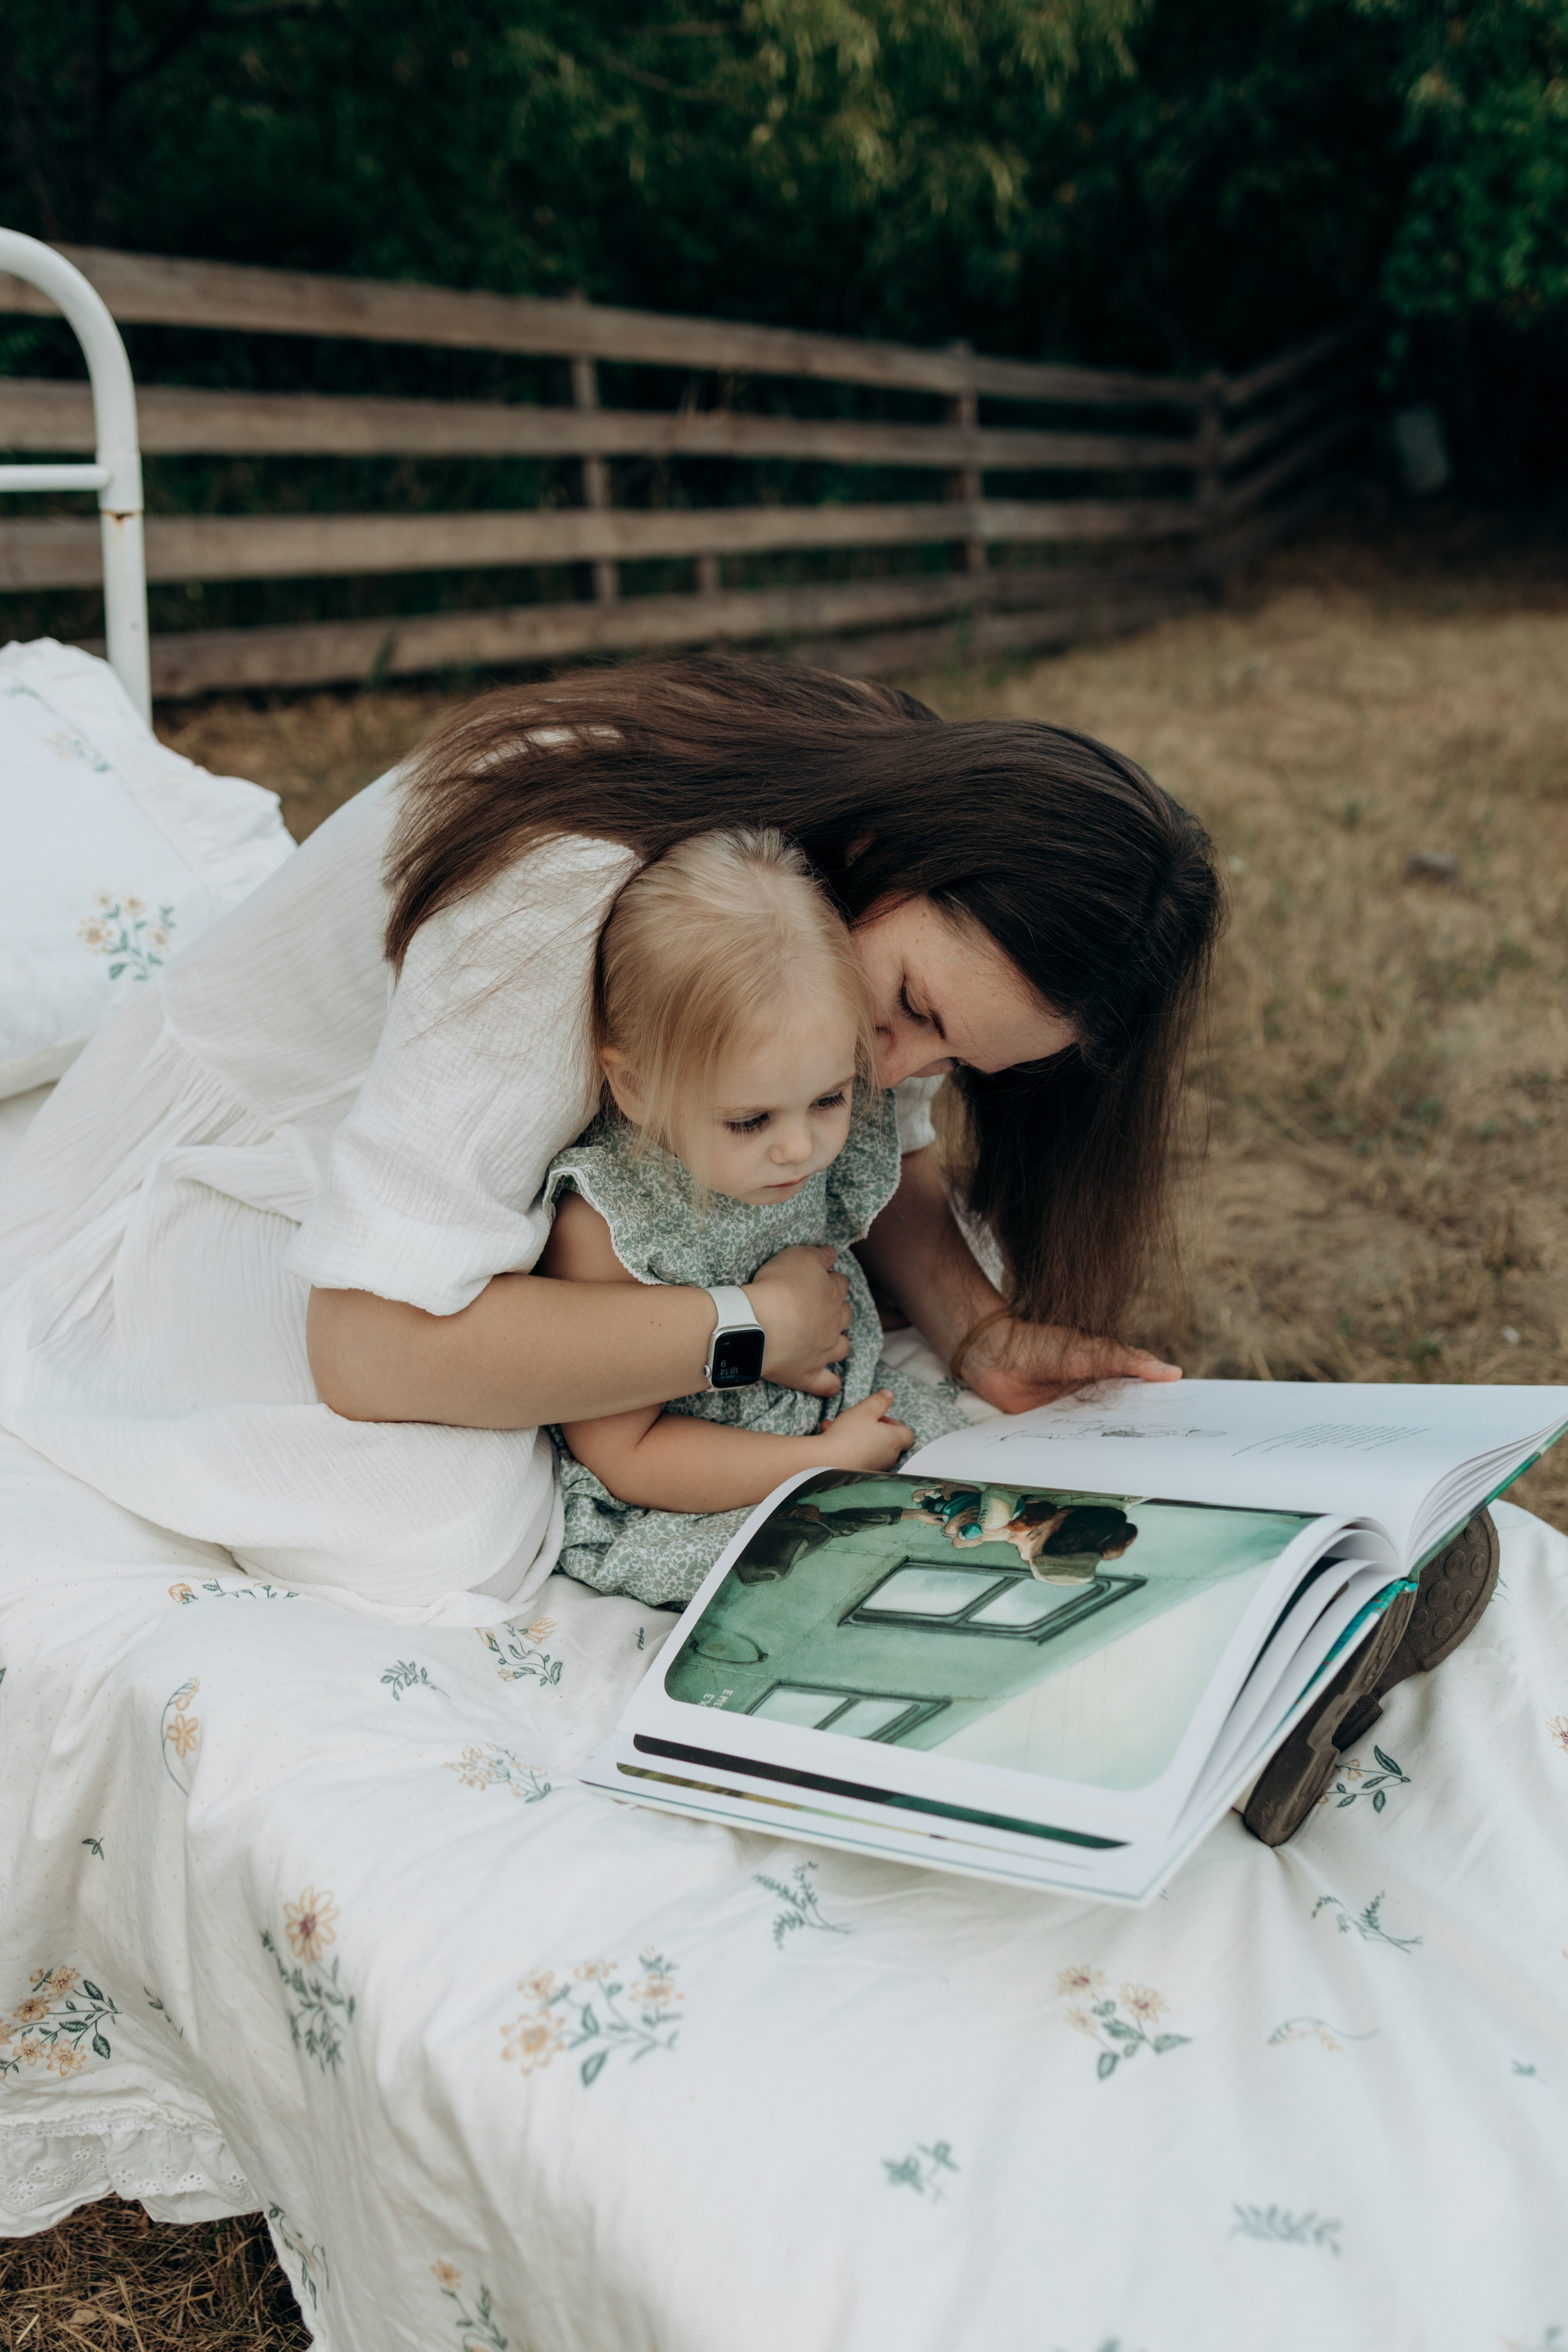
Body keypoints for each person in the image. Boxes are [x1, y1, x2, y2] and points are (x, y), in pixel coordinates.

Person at [0, 654, 1221, 1612]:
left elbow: (886, 1151)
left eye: (955, 1064)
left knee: (923, 1369)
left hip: (552, 1199)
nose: (894, 1070)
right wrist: (748, 1334)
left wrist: (980, 1328)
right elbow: (368, 1353)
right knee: (451, 1523)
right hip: (250, 1178)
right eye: (908, 1011)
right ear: (881, 857)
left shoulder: (860, 809)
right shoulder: (555, 893)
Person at [540, 826, 970, 1607]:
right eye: (749, 1121)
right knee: (822, 1582)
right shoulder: (612, 1220)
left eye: (831, 1098)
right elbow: (626, 1453)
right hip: (704, 1486)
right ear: (636, 1089)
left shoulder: (792, 1113)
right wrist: (818, 1462)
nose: (801, 1148)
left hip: (841, 1415)